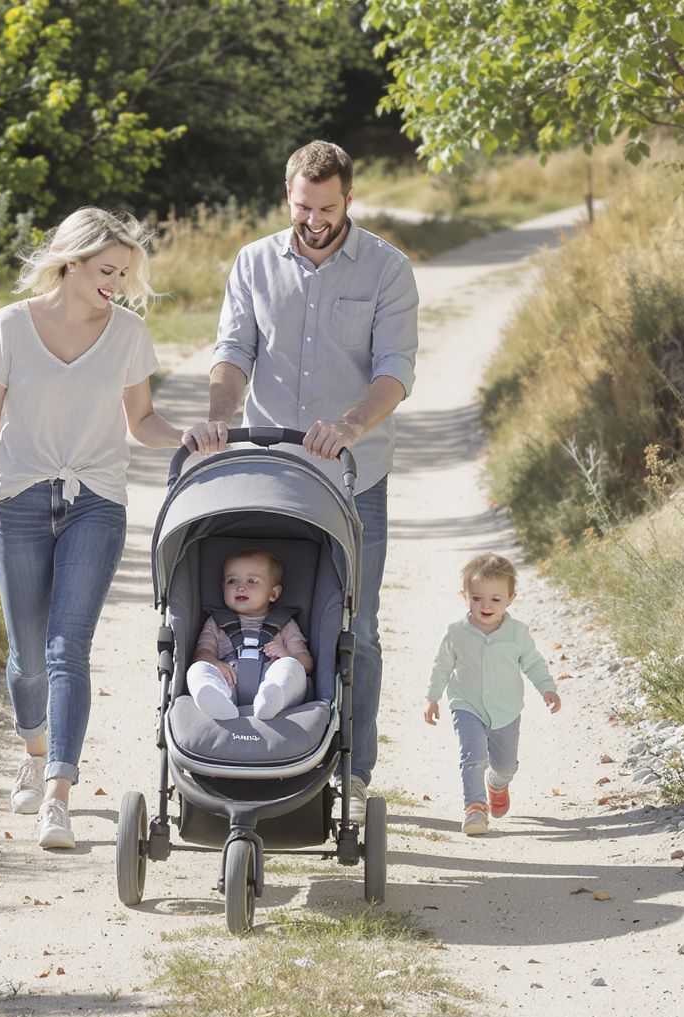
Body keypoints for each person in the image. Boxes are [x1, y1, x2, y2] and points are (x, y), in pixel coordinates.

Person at [186, 140, 419, 823]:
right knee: (254, 609)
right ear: (287, 197)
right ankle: (249, 747)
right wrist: (218, 419)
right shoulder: (254, 262)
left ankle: (354, 768)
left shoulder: (386, 268)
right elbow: (232, 352)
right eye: (301, 207)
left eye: (325, 207)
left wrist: (350, 424)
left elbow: (395, 372)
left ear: (349, 198)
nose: (313, 220)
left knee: (359, 625)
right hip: (271, 471)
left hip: (353, 475)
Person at [0, 207, 200, 851]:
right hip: (18, 497)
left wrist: (187, 438)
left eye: (123, 273)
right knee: (27, 652)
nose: (115, 283)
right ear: (71, 262)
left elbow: (140, 421)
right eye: (105, 270)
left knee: (69, 648)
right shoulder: (12, 326)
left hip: (97, 499)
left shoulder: (126, 334)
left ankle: (58, 797)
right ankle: (35, 752)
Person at [424, 552, 562, 836]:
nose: (486, 606)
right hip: (467, 705)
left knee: (505, 765)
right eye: (477, 598)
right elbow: (442, 666)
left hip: (506, 710)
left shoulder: (517, 633)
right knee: (472, 756)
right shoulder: (456, 633)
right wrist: (433, 697)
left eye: (496, 599)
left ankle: (498, 784)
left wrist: (547, 688)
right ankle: (475, 808)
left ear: (511, 598)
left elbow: (533, 663)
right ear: (464, 595)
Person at [187, 548, 314, 721]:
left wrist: (287, 656)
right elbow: (202, 654)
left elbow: (306, 662)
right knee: (198, 669)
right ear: (223, 588)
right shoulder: (216, 622)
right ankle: (214, 699)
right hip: (229, 683)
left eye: (252, 581)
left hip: (273, 681)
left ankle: (273, 698)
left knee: (292, 669)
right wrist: (214, 663)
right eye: (232, 581)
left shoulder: (285, 624)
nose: (240, 587)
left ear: (274, 593)